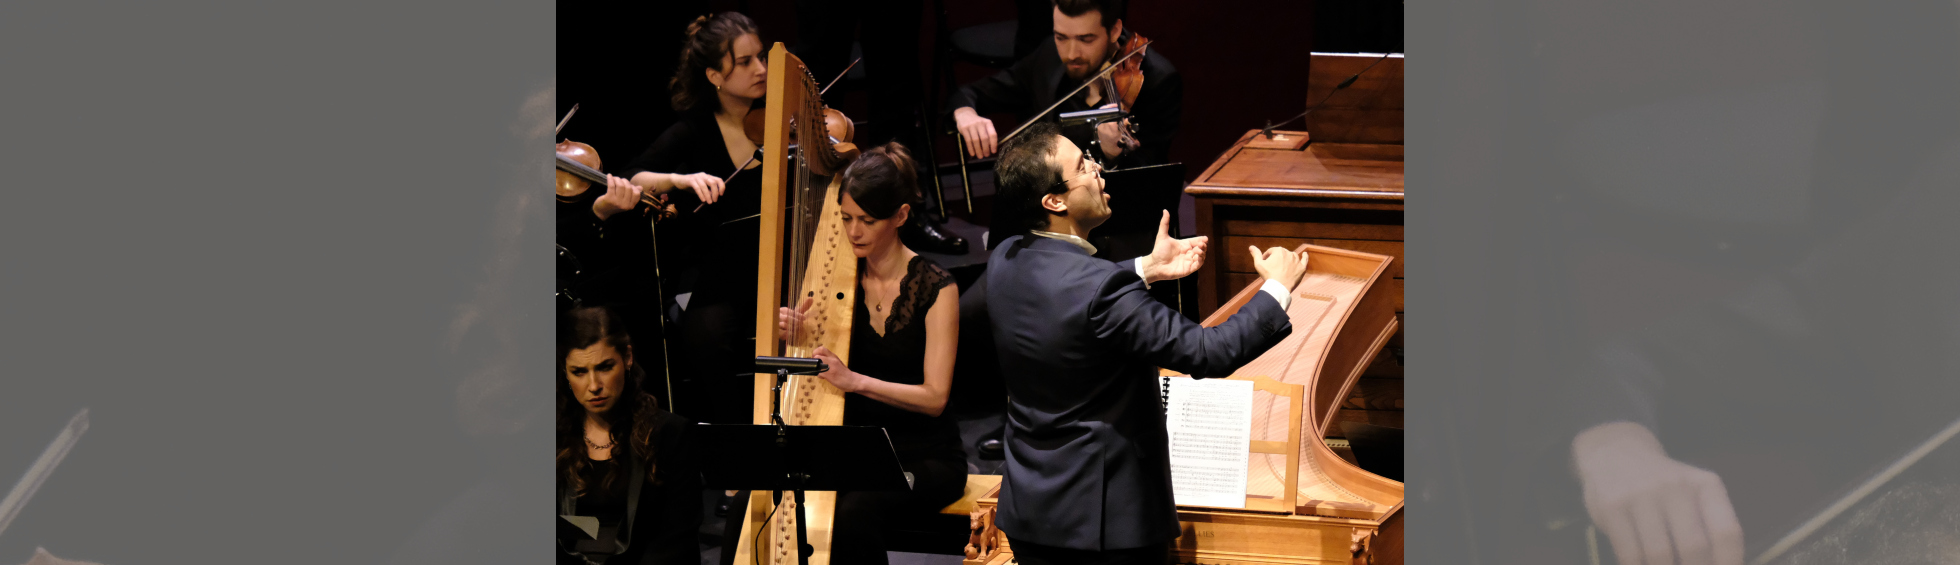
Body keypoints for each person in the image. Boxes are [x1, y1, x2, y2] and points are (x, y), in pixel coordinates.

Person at [981, 121, 1305, 564]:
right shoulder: (1100, 290)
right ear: (1054, 200)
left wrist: (1145, 268)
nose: (1099, 170)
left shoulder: (1004, 257)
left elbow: (1067, 301)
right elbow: (1208, 352)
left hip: (1031, 513)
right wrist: (1276, 291)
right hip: (1108, 528)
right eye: (1083, 167)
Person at [774, 143, 969, 564]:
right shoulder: (835, 282)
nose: (853, 231)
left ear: (900, 216)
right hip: (858, 455)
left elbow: (935, 399)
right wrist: (799, 336)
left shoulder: (938, 288)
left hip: (926, 456)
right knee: (759, 505)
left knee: (855, 513)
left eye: (867, 220)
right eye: (845, 218)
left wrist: (855, 381)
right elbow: (818, 373)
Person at [618, 12, 758, 430]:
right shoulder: (695, 128)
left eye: (760, 58)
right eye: (746, 62)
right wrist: (680, 177)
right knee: (704, 337)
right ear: (715, 75)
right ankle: (736, 450)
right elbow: (634, 177)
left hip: (791, 259)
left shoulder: (785, 114)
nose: (761, 70)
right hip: (727, 267)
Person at [948, 0, 1182, 171]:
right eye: (1062, 37)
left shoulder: (1157, 80)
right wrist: (966, 112)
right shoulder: (1050, 54)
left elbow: (1149, 180)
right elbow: (973, 92)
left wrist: (1111, 155)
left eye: (1086, 39)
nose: (1071, 54)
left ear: (1114, 31)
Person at [556, 306, 702, 564]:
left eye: (605, 367)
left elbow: (676, 541)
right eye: (579, 372)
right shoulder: (554, 438)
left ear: (627, 358)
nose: (593, 386)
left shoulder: (670, 434)